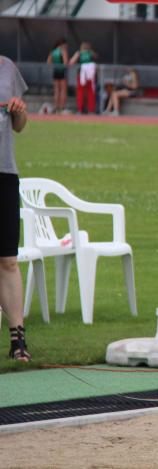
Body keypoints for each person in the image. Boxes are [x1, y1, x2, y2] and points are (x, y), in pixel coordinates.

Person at [0, 55, 31, 361]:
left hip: (5, 173)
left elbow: (19, 126)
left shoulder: (8, 68)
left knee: (8, 259)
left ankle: (17, 340)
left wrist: (19, 112)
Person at [69, 41, 97, 114]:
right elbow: (96, 57)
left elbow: (71, 62)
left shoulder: (80, 53)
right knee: (89, 92)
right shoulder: (89, 53)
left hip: (84, 75)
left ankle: (81, 109)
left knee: (81, 92)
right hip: (88, 75)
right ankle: (90, 110)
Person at [46, 38, 68, 114]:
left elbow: (48, 62)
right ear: (62, 44)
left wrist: (55, 65)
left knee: (56, 90)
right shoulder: (63, 51)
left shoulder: (53, 52)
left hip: (55, 71)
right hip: (62, 72)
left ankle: (56, 107)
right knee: (63, 90)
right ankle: (62, 107)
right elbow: (65, 63)